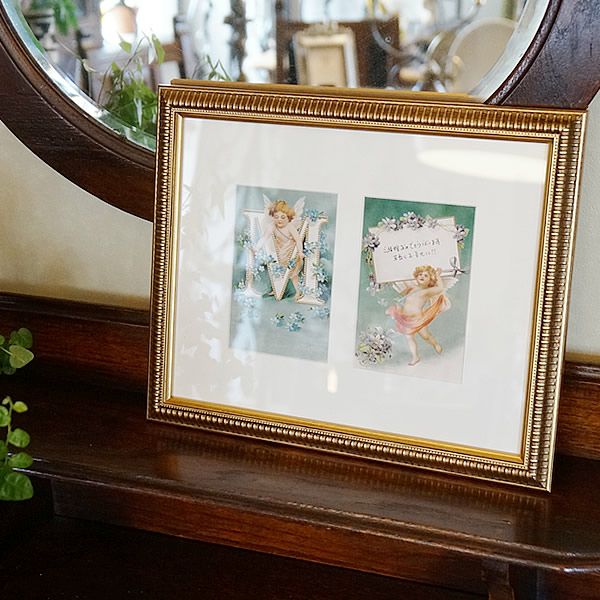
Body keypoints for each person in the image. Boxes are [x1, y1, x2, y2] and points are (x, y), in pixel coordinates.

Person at [386, 265, 451, 366]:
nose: (422, 276)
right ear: (416, 276)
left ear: (430, 280)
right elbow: (402, 296)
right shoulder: (412, 289)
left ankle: (435, 344)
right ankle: (415, 357)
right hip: (406, 318)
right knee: (409, 338)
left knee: (426, 336)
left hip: (417, 319)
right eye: (420, 274)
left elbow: (440, 288)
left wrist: (437, 275)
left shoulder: (427, 291)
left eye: (426, 276)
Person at [255, 200, 305, 300]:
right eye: (276, 217)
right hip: (280, 253)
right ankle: (277, 289)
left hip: (290, 253)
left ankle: (298, 291)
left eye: (283, 217)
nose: (279, 220)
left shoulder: (290, 227)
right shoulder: (272, 226)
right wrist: (257, 247)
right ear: (272, 217)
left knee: (293, 274)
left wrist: (300, 252)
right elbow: (264, 238)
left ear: (288, 218)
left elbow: (298, 240)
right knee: (276, 271)